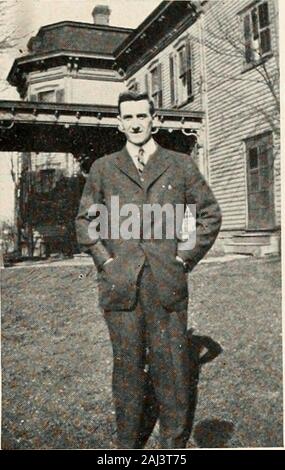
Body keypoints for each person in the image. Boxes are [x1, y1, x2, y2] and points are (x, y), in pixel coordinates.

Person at [75, 91, 222, 449]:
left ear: (154, 120)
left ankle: (172, 445)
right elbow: (84, 221)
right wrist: (105, 261)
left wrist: (184, 258)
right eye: (129, 117)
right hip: (120, 287)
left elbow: (210, 215)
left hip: (165, 284)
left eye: (143, 116)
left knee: (170, 367)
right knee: (126, 370)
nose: (137, 123)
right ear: (120, 123)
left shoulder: (180, 164)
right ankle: (128, 445)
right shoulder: (103, 168)